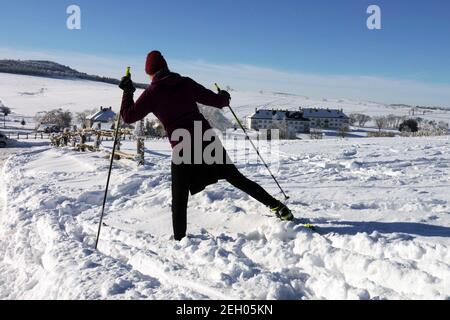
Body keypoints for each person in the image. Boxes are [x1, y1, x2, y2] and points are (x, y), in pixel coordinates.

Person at [119, 50, 293, 241]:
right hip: (206, 139)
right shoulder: (185, 82)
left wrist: (127, 92)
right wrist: (224, 96)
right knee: (236, 178)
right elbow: (219, 102)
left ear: (150, 73)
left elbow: (128, 116)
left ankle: (180, 240)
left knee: (179, 197)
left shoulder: (152, 92)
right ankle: (278, 206)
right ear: (166, 67)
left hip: (183, 146)